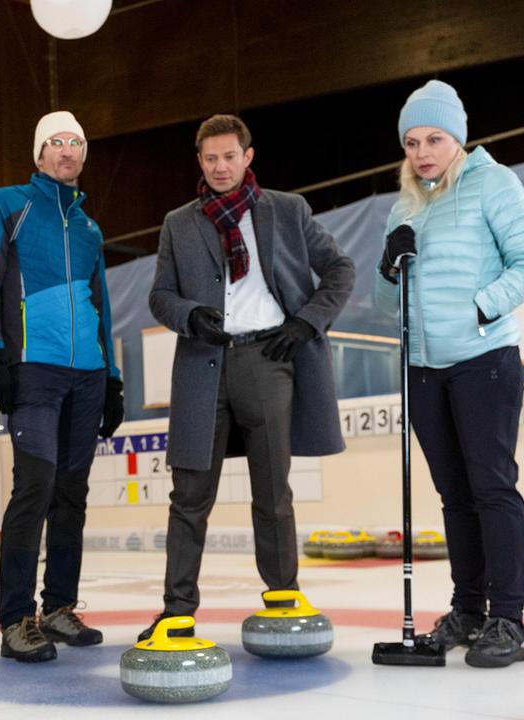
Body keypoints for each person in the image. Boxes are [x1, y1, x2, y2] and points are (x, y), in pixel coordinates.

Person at [143, 114, 353, 640]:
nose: (220, 167)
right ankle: (177, 610)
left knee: (272, 489)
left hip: (269, 359)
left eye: (229, 157)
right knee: (189, 493)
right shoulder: (179, 222)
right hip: (201, 367)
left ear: (248, 156)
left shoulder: (288, 209)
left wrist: (306, 322)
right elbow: (160, 295)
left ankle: (283, 593)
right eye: (210, 158)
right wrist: (189, 315)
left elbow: (340, 268)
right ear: (200, 161)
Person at [377, 79, 524, 668]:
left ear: (458, 138)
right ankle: (469, 609)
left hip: (483, 360)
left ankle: (509, 619)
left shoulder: (493, 183)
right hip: (424, 368)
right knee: (454, 497)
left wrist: (477, 308)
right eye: (412, 141)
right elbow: (387, 304)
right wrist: (388, 267)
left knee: (492, 488)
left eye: (434, 138)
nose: (422, 151)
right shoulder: (404, 205)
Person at [0, 110, 124, 662]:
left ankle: (58, 607)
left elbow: (101, 304)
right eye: (56, 142)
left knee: (72, 494)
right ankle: (16, 618)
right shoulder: (7, 205)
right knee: (34, 489)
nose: (67, 150)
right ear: (39, 154)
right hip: (33, 370)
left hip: (86, 376)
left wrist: (112, 379)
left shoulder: (88, 228)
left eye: (76, 142)